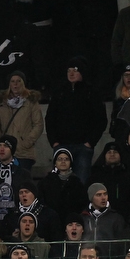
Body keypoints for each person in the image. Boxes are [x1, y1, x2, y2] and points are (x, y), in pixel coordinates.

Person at [45, 57, 107, 185]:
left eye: (75, 70)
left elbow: (101, 120)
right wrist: (54, 142)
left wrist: (90, 142)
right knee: (59, 182)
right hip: (61, 145)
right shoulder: (60, 93)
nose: (71, 73)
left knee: (82, 182)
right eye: (69, 70)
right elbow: (50, 118)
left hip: (83, 147)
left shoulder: (91, 93)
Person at [66, 0, 117, 98]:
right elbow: (70, 2)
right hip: (84, 28)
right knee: (86, 60)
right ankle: (86, 89)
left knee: (104, 60)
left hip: (105, 27)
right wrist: (78, 24)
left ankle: (103, 90)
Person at [4, 0, 56, 90]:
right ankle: (21, 90)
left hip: (40, 25)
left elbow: (54, 0)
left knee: (40, 60)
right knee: (22, 60)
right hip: (20, 26)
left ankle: (43, 90)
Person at [0, 71, 44, 171]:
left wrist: (26, 143)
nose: (15, 84)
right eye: (12, 81)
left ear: (23, 83)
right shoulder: (3, 103)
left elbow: (38, 124)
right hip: (6, 151)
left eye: (18, 81)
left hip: (24, 153)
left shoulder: (31, 102)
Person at [0, 134, 33, 222]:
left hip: (16, 221)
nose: (2, 149)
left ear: (12, 149)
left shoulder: (23, 174)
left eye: (6, 146)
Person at [39, 147, 89, 223]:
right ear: (55, 162)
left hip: (72, 223)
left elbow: (82, 203)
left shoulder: (77, 183)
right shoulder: (45, 182)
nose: (63, 161)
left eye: (66, 159)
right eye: (60, 159)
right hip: (51, 222)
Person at [89, 142, 130, 216]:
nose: (112, 154)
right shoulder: (96, 176)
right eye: (109, 152)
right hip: (101, 216)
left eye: (115, 152)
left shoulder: (129, 176)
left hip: (124, 216)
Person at [109, 64, 130, 145]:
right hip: (120, 132)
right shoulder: (118, 94)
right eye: (126, 75)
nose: (129, 78)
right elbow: (114, 114)